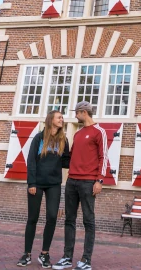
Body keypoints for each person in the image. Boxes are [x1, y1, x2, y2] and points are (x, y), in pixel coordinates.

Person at [53, 101, 108, 270]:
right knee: (69, 220)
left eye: (76, 113)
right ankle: (67, 257)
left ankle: (86, 260)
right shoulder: (77, 134)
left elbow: (103, 157)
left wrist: (99, 180)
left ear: (84, 112)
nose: (75, 116)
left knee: (88, 221)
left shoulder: (100, 132)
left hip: (88, 182)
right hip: (71, 181)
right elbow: (70, 158)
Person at [17, 110, 70, 268]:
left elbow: (66, 162)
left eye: (62, 117)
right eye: (59, 117)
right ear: (51, 120)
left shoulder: (63, 140)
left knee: (52, 217)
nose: (62, 119)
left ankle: (44, 254)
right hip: (37, 183)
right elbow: (31, 161)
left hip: (54, 184)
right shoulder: (39, 138)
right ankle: (26, 254)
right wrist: (31, 183)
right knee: (32, 218)